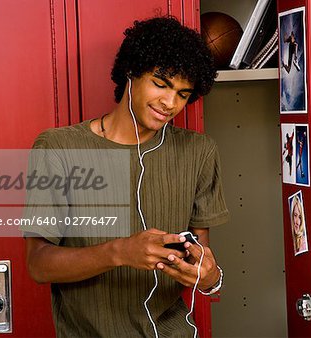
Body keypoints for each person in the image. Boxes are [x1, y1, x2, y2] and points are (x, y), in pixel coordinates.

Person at [21, 16, 229, 337]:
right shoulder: (58, 147)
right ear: (132, 71)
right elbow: (38, 265)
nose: (170, 103)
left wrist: (210, 277)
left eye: (183, 94)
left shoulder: (198, 151)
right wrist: (120, 252)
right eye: (161, 84)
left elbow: (201, 261)